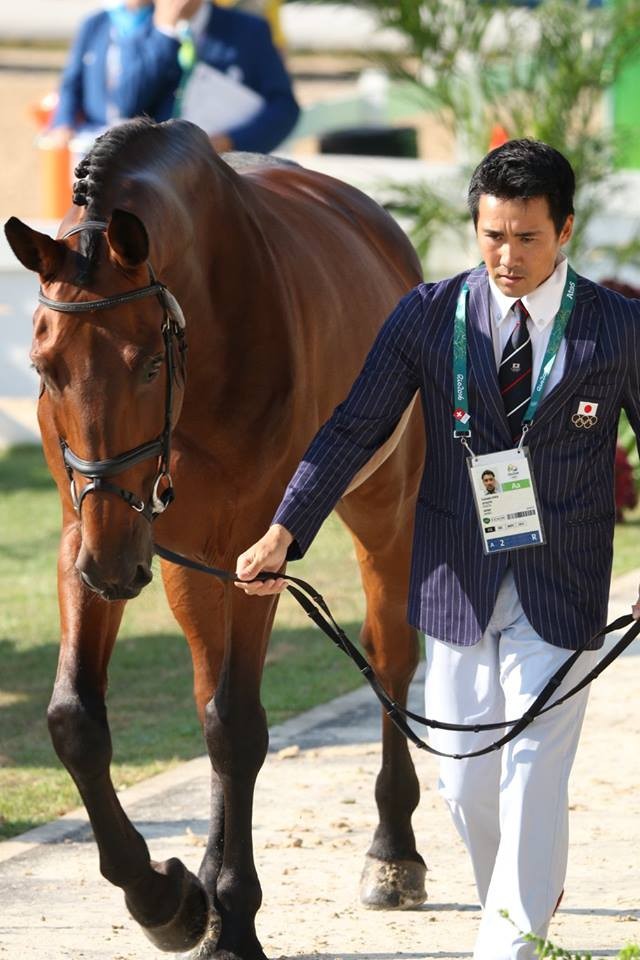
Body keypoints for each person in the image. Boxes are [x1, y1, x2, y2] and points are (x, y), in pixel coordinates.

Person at [234, 139, 640, 959]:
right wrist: (286, 528)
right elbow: (355, 426)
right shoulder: (427, 315)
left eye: (527, 238)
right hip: (455, 578)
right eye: (493, 235)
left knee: (531, 764)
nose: (508, 256)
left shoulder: (616, 325)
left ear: (563, 230)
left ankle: (513, 942)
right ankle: (522, 894)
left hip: (562, 582)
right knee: (462, 775)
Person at [48, 0, 299, 155]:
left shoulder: (248, 30)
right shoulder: (133, 32)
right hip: (160, 181)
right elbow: (126, 102)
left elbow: (284, 108)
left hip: (231, 173)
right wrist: (165, 32)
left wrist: (230, 141)